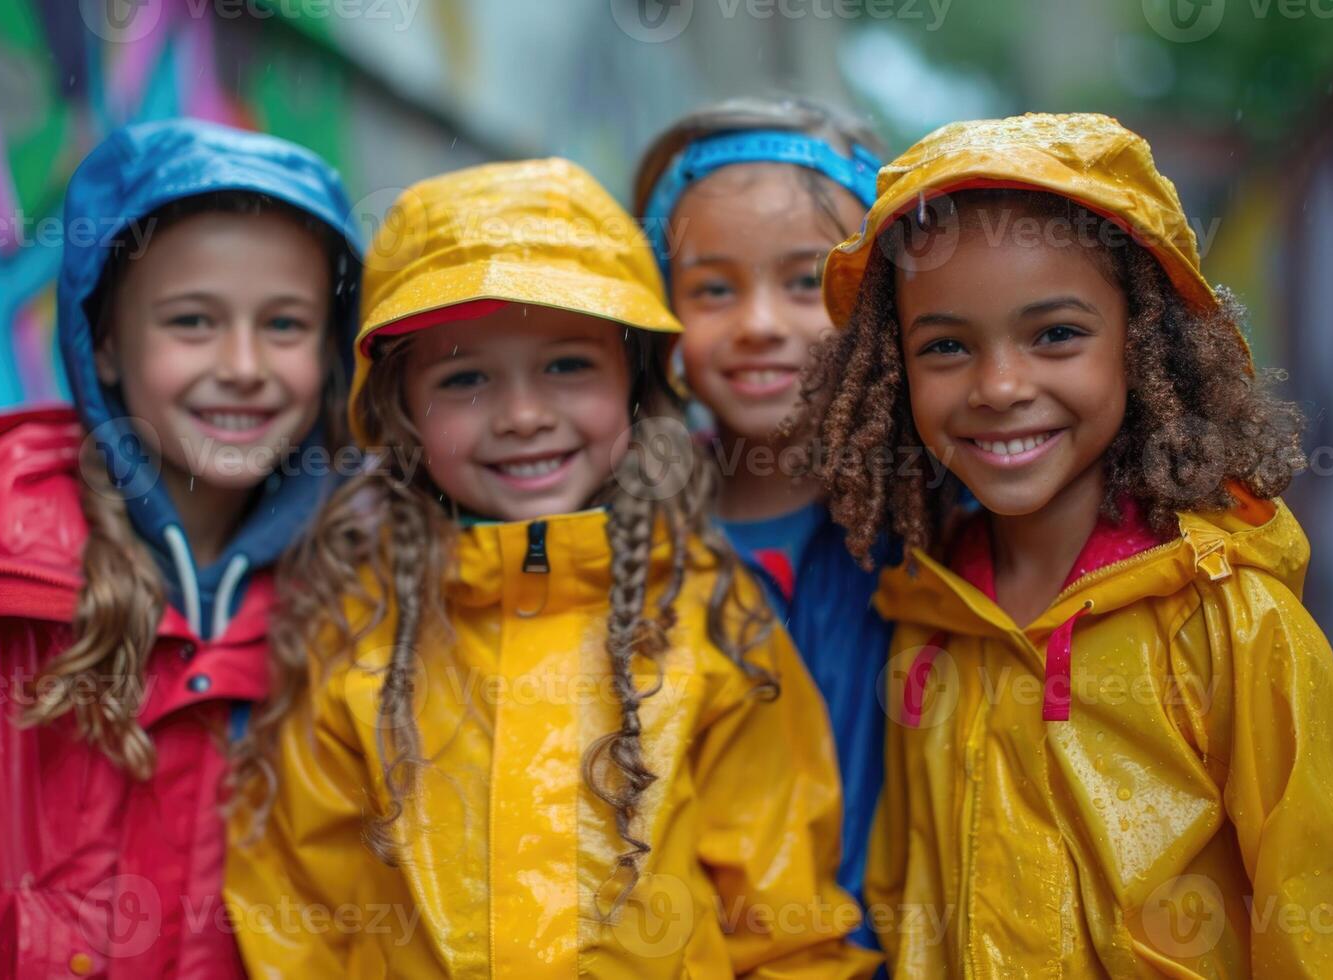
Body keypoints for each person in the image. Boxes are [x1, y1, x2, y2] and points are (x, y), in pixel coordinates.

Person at [804, 112, 1333, 977]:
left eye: (1054, 334)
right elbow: (908, 906)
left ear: (1142, 343)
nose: (1000, 386)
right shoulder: (923, 618)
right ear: (891, 371)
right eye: (945, 346)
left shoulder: (1233, 626)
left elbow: (1331, 931)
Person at [226, 157, 878, 977]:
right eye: (464, 378)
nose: (525, 415)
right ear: (399, 409)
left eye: (567, 365)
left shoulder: (710, 617)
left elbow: (786, 927)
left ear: (633, 382)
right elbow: (295, 912)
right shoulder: (355, 625)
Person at [0, 118, 363, 978]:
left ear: (329, 352)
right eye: (192, 321)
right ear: (109, 346)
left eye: (284, 325)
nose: (243, 365)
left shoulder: (365, 595)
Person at [632, 96, 896, 914]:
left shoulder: (943, 518)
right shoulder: (628, 540)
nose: (758, 324)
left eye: (806, 282)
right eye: (713, 290)